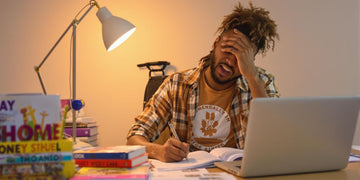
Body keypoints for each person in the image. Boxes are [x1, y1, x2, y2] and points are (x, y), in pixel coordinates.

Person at [127, 2, 280, 162]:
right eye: (228, 48)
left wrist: (252, 77)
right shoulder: (177, 84)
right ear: (215, 44)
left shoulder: (260, 81)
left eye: (241, 56)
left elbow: (273, 139)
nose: (230, 61)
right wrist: (158, 151)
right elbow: (134, 138)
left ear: (250, 60)